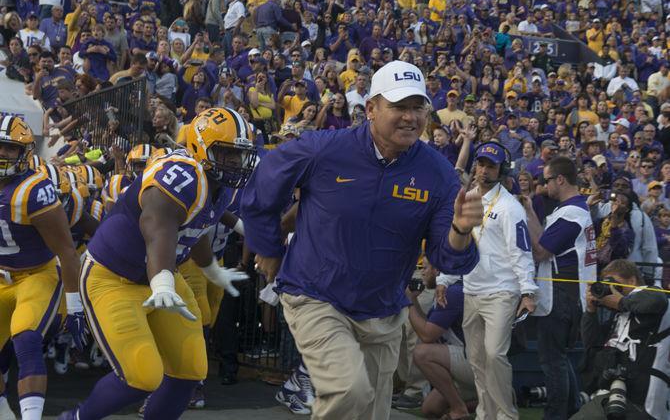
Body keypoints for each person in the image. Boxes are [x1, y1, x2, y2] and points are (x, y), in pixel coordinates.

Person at [241, 60, 483, 420]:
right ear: (371, 108)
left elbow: (448, 259)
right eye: (399, 106)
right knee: (350, 390)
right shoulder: (323, 149)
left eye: (418, 107)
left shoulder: (438, 174)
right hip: (316, 294)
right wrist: (268, 248)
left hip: (383, 312)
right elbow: (261, 188)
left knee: (371, 412)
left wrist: (461, 231)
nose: (410, 117)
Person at [58, 108, 253, 420]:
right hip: (113, 276)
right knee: (141, 374)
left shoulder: (216, 185)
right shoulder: (181, 174)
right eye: (227, 154)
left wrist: (211, 269)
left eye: (239, 156)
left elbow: (196, 226)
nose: (235, 163)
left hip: (160, 275)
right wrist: (162, 280)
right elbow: (156, 227)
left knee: (190, 368)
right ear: (200, 146)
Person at [0, 116, 86, 420]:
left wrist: (75, 306)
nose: (2, 153)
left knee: (26, 340)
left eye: (9, 148)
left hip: (35, 275)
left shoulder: (34, 189)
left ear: (24, 153)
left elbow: (66, 250)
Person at [460, 141, 537, 420]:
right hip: (471, 289)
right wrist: (445, 278)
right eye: (480, 164)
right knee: (476, 360)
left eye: (490, 166)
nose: (483, 170)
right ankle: (485, 414)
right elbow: (459, 240)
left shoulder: (509, 206)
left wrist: (527, 290)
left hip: (502, 292)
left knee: (494, 356)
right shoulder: (468, 198)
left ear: (502, 171)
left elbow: (521, 251)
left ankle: (506, 415)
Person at [521, 156, 598, 420]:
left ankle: (555, 416)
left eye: (547, 180)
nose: (544, 185)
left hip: (560, 296)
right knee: (560, 360)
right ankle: (573, 412)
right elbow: (544, 242)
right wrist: (530, 211)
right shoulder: (573, 210)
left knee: (553, 361)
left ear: (560, 179)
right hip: (567, 295)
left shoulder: (572, 213)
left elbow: (541, 250)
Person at [571, 259, 669, 420]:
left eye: (614, 283)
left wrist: (621, 301)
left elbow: (656, 301)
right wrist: (590, 311)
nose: (610, 288)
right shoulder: (620, 314)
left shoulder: (653, 295)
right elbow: (592, 345)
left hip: (643, 397)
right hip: (613, 390)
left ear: (632, 280)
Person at [407, 262, 476, 420]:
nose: (422, 273)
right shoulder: (446, 290)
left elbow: (427, 335)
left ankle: (460, 409)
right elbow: (429, 326)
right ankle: (485, 400)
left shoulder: (452, 292)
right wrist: (413, 300)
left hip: (474, 361)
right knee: (430, 409)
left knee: (422, 353)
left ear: (437, 270)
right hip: (462, 362)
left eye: (425, 268)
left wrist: (408, 301)